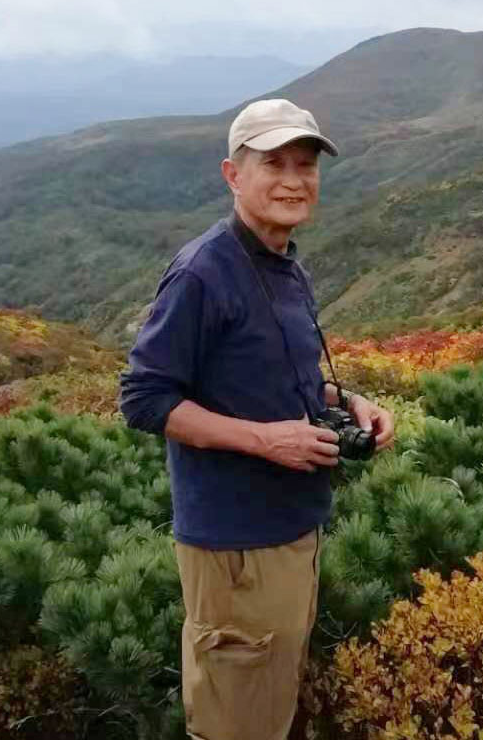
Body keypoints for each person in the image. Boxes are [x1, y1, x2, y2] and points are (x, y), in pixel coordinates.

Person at [119, 97, 395, 740]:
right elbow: (144, 398)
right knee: (235, 719)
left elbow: (267, 378)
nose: (294, 179)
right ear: (232, 174)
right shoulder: (202, 273)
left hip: (293, 529)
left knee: (269, 706)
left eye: (306, 164)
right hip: (236, 543)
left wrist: (345, 403)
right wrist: (263, 441)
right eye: (274, 163)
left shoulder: (284, 263)